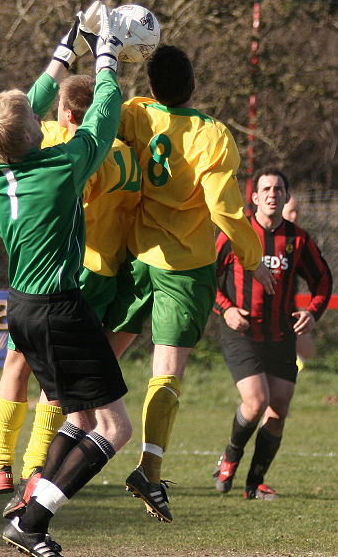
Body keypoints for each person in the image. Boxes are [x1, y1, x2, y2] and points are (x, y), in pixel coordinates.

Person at [0, 5, 139, 557]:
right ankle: (34, 519)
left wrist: (66, 50)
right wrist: (108, 55)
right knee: (114, 430)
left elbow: (26, 108)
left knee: (78, 417)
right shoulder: (61, 167)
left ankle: (30, 503)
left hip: (21, 309)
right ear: (33, 131)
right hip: (59, 308)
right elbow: (105, 116)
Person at [102, 44, 276, 522]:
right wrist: (251, 256)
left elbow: (100, 119)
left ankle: (43, 455)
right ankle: (149, 471)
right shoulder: (212, 134)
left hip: (136, 256)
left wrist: (107, 57)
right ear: (193, 84)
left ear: (151, 86)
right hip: (185, 267)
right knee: (167, 371)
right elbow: (223, 207)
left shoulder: (137, 114)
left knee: (97, 359)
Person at [213, 167, 332, 500]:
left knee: (278, 408)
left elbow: (323, 279)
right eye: (265, 189)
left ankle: (254, 485)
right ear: (254, 197)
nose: (271, 194)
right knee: (256, 401)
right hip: (243, 332)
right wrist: (227, 309)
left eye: (278, 189)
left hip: (281, 336)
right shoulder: (236, 234)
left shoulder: (298, 239)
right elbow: (206, 279)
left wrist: (313, 311)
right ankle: (230, 458)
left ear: (286, 196)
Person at [281, 195, 317, 370]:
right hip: (267, 304)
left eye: (297, 212)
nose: (295, 216)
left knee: (308, 350)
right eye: (291, 212)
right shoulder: (266, 237)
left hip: (289, 302)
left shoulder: (299, 238)